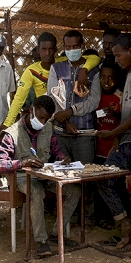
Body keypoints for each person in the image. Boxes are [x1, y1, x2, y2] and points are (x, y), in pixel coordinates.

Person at [0, 95, 81, 256]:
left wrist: (62, 158)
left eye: (46, 119)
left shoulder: (47, 128)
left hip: (44, 175)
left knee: (74, 191)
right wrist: (22, 163)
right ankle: (41, 240)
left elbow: (55, 150)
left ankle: (55, 234)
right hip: (21, 177)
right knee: (36, 192)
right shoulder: (12, 134)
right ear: (31, 110)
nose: (42, 122)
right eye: (40, 117)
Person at [96, 33, 131, 250]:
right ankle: (125, 226)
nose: (116, 60)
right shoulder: (130, 75)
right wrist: (116, 135)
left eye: (118, 55)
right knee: (103, 179)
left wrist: (114, 132)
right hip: (124, 140)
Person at [5, 32, 99, 128]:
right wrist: (7, 124)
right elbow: (19, 99)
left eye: (50, 49)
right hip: (45, 121)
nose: (47, 53)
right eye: (44, 49)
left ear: (56, 50)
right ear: (38, 50)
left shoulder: (62, 64)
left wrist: (84, 69)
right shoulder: (31, 71)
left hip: (65, 121)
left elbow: (94, 58)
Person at [47, 30, 101, 164]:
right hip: (60, 133)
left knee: (85, 176)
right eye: (68, 47)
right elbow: (52, 98)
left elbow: (94, 101)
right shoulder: (56, 68)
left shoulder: (94, 70)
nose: (71, 50)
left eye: (75, 47)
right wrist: (64, 121)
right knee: (63, 176)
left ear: (82, 46)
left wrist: (71, 111)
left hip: (85, 134)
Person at [94, 63, 122, 162]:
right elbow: (92, 116)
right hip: (97, 148)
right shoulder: (96, 96)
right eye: (103, 77)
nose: (106, 81)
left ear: (116, 79)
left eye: (110, 78)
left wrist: (114, 114)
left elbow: (124, 119)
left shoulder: (120, 97)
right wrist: (101, 113)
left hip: (113, 147)